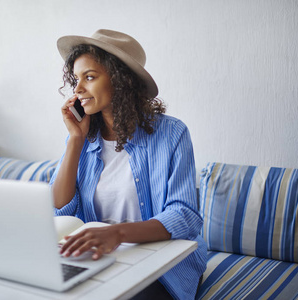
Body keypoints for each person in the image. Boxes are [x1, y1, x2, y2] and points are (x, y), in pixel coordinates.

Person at [49, 29, 207, 299]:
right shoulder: (84, 138)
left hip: (161, 260)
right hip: (101, 258)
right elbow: (60, 208)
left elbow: (184, 215)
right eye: (76, 79)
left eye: (89, 77)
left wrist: (117, 234)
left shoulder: (172, 134)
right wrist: (75, 140)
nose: (77, 89)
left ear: (121, 81)